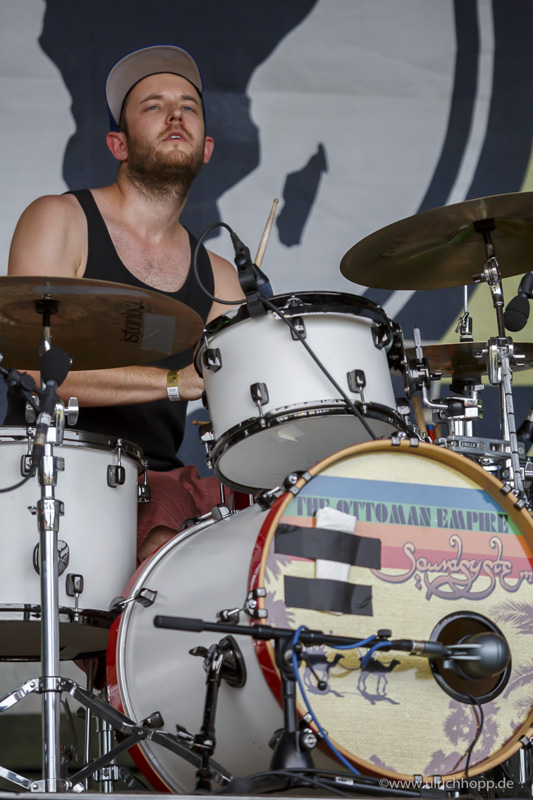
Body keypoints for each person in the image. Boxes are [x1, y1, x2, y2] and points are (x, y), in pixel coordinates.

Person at [5, 45, 245, 561]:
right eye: (154, 106)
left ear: (206, 148)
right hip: (54, 467)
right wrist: (174, 382)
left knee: (259, 527)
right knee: (164, 534)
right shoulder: (60, 220)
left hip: (157, 480)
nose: (175, 114)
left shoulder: (221, 277)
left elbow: (245, 402)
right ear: (118, 144)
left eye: (188, 106)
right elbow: (32, 369)